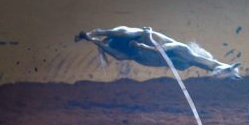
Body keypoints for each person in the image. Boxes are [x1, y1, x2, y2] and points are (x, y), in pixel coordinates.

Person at [75, 26, 240, 78]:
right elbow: (163, 48)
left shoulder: (186, 61)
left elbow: (208, 64)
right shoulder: (183, 49)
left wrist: (222, 69)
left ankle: (91, 39)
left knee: (119, 56)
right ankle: (97, 33)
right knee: (124, 33)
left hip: (140, 52)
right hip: (142, 40)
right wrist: (145, 47)